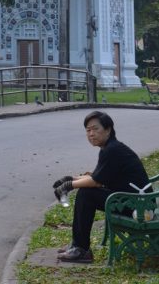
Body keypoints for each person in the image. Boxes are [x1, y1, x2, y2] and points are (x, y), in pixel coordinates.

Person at [53, 110, 150, 264]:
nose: (91, 134)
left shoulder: (112, 150)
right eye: (88, 130)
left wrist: (69, 185)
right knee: (86, 192)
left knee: (86, 194)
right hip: (131, 200)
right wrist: (71, 179)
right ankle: (78, 245)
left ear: (108, 129)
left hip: (138, 207)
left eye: (95, 129)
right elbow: (98, 177)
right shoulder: (110, 148)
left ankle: (81, 249)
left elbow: (96, 181)